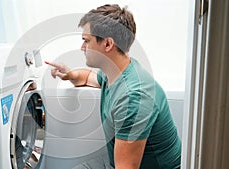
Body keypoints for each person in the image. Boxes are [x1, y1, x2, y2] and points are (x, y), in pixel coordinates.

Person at [45, 4, 181, 169]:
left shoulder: (133, 97)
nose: (82, 48)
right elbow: (88, 77)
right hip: (114, 162)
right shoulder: (117, 72)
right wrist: (69, 75)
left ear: (108, 44)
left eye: (86, 41)